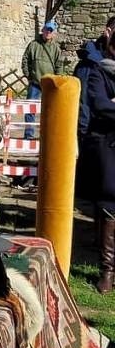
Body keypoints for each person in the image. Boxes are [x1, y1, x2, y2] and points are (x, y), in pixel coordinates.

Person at [80, 31, 115, 293]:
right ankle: (107, 270)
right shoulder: (98, 72)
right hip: (107, 145)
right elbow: (101, 105)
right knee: (108, 203)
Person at [21, 20, 61, 139]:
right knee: (30, 110)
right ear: (42, 30)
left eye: (50, 30)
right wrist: (29, 75)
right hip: (35, 83)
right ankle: (29, 135)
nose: (48, 32)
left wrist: (57, 81)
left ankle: (47, 135)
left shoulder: (56, 49)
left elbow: (59, 65)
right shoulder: (33, 45)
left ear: (53, 33)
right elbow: (25, 60)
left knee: (50, 111)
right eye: (46, 29)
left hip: (49, 84)